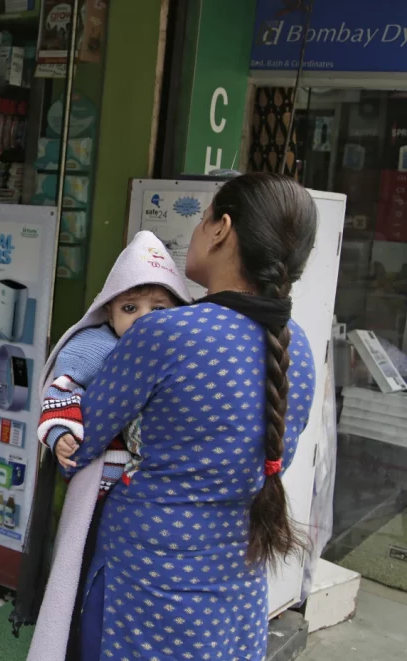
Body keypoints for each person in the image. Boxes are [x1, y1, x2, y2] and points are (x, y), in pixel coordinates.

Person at [62, 173, 318, 661]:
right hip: (235, 585)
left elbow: (79, 443)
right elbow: (274, 460)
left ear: (222, 229)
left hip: (142, 583)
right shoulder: (296, 348)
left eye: (203, 221)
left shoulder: (164, 333)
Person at [16, 232, 191, 658]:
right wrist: (61, 435)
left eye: (158, 308)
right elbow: (61, 390)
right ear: (108, 310)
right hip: (98, 483)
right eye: (130, 308)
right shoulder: (96, 346)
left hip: (145, 493)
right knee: (80, 566)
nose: (143, 318)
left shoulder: (183, 354)